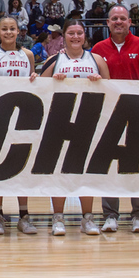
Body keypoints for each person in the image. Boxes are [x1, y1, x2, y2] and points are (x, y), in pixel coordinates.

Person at [41, 19, 109, 236]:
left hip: (89, 119)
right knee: (58, 170)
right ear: (64, 35)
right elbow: (38, 89)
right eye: (71, 33)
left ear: (84, 36)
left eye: (79, 33)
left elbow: (112, 88)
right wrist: (53, 81)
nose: (76, 37)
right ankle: (58, 217)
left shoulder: (96, 59)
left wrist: (100, 81)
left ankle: (87, 218)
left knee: (85, 171)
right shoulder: (55, 59)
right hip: (59, 119)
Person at [91, 5, 139, 233]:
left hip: (137, 113)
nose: (118, 22)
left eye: (122, 18)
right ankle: (110, 215)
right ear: (107, 23)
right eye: (114, 18)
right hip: (108, 116)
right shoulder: (98, 49)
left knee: (136, 167)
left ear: (130, 22)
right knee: (108, 167)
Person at [0, 15, 38, 235]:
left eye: (12, 29)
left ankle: (24, 216)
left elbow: (33, 80)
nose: (8, 32)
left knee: (21, 167)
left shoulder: (28, 54)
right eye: (4, 29)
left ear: (18, 31)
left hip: (23, 116)